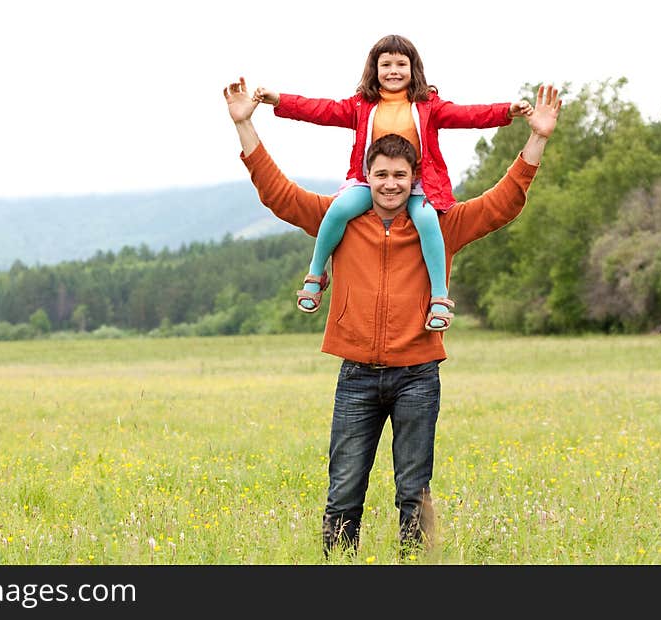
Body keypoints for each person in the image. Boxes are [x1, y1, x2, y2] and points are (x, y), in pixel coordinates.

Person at [223, 76, 561, 557]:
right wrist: (245, 127)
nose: (389, 184)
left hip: (417, 376)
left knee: (413, 492)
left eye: (400, 175)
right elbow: (278, 193)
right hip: (356, 375)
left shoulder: (441, 225)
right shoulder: (341, 219)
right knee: (342, 492)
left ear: (414, 178)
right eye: (380, 175)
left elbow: (502, 203)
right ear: (367, 175)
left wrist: (538, 138)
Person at [253, 35, 532, 330]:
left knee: (427, 220)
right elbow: (321, 110)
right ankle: (316, 275)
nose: (393, 71)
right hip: (369, 180)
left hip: (419, 184)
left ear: (414, 69)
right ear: (375, 69)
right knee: (337, 210)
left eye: (401, 63)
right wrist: (280, 100)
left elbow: (468, 115)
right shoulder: (362, 105)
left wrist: (506, 111)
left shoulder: (428, 106)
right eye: (386, 64)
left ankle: (439, 296)